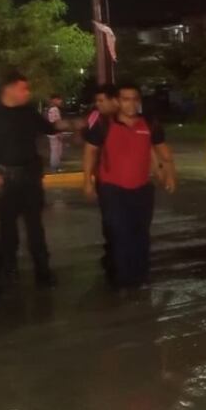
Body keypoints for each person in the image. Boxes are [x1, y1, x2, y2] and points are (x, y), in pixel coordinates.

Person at [0, 72, 73, 287]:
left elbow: (48, 127)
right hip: (5, 178)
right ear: (8, 89)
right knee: (8, 228)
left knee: (35, 226)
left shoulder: (28, 112)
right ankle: (9, 271)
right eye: (23, 88)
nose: (27, 93)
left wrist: (69, 124)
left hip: (29, 176)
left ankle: (43, 271)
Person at [83, 83, 177, 290]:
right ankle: (124, 279)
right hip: (112, 189)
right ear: (117, 101)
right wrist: (87, 182)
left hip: (141, 188)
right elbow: (90, 152)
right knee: (119, 233)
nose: (131, 103)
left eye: (135, 98)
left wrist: (168, 175)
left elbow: (161, 152)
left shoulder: (149, 123)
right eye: (126, 99)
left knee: (140, 233)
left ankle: (140, 276)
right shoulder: (103, 124)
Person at [86, 84, 120, 284]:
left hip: (128, 180)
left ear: (113, 100)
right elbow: (90, 150)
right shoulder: (97, 121)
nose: (98, 105)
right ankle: (112, 258)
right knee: (110, 222)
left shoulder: (127, 119)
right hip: (106, 180)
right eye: (96, 101)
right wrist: (89, 180)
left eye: (101, 101)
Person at [45, 94, 64, 172]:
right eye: (59, 99)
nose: (60, 101)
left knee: (56, 150)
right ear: (54, 100)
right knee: (56, 151)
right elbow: (55, 123)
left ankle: (56, 167)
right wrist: (59, 134)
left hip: (53, 133)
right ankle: (55, 167)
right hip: (55, 134)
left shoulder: (52, 109)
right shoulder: (54, 109)